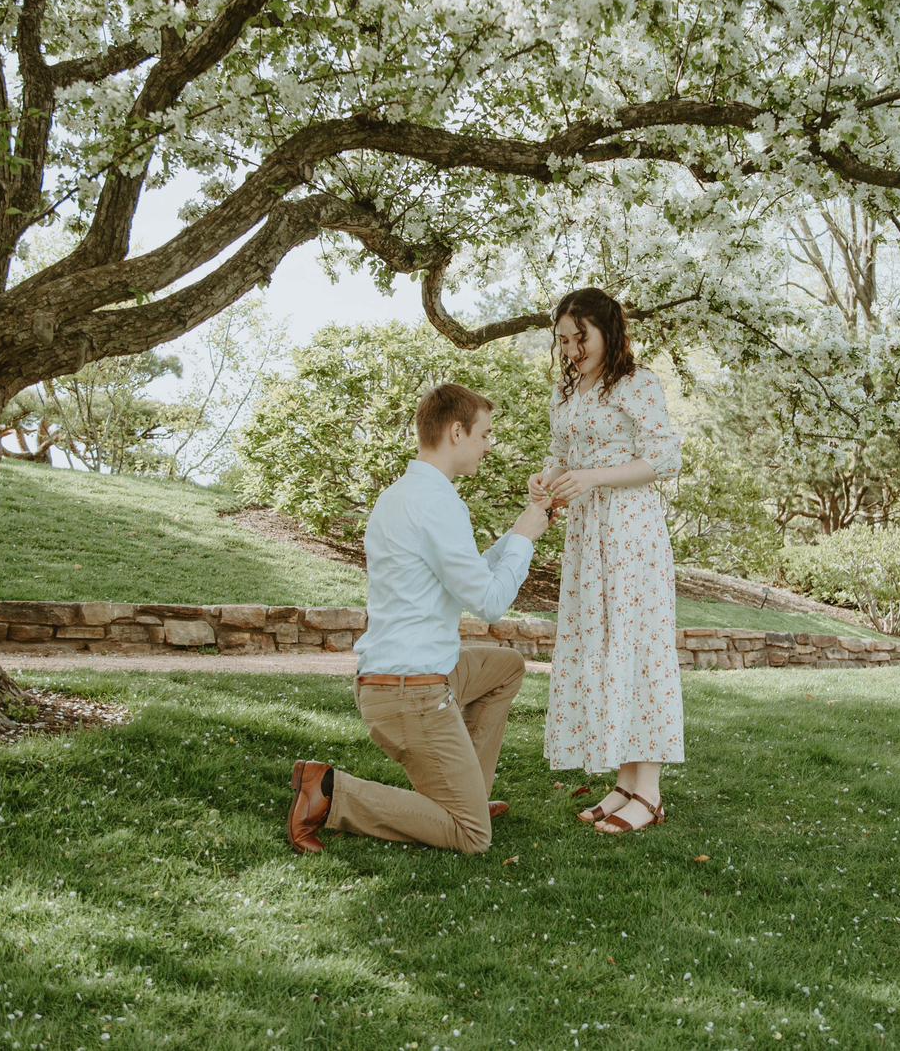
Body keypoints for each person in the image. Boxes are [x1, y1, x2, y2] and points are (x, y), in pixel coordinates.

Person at [287, 382, 554, 855]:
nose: (489, 447)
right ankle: (329, 794)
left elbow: (466, 573)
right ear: (456, 432)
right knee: (473, 836)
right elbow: (490, 602)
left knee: (505, 668)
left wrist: (523, 525)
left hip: (409, 676)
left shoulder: (406, 494)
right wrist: (526, 541)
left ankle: (469, 790)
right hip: (410, 693)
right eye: (485, 435)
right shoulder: (437, 502)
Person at [535, 287, 685, 834]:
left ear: (608, 331)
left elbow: (665, 457)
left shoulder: (636, 384)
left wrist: (592, 478)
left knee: (636, 644)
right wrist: (547, 477)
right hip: (587, 536)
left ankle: (650, 790)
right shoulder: (569, 390)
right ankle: (625, 781)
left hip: (630, 532)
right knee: (603, 647)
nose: (573, 349)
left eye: (582, 338)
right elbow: (562, 455)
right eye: (565, 340)